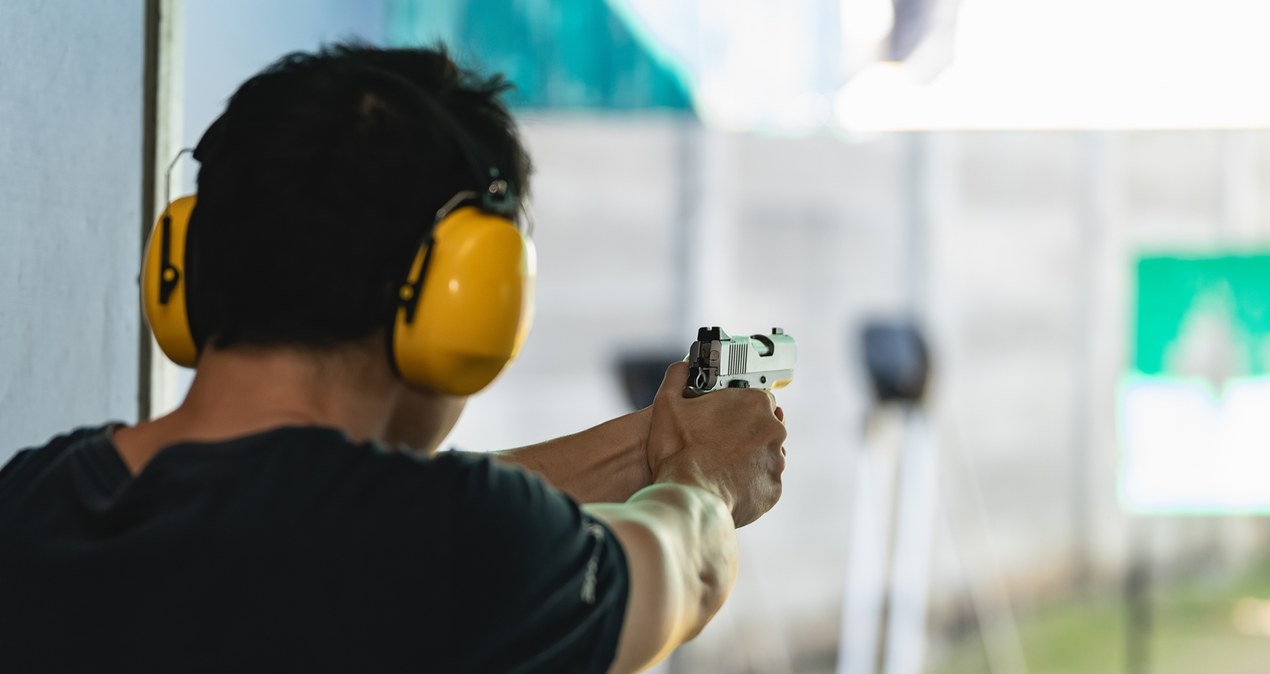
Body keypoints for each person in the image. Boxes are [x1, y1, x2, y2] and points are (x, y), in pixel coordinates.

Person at [0, 44, 786, 673]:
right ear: (466, 297)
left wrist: (658, 440)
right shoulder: (448, 544)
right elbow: (688, 570)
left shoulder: (33, 498)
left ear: (187, 265)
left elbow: (348, 505)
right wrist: (707, 478)